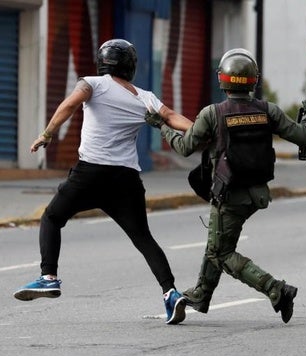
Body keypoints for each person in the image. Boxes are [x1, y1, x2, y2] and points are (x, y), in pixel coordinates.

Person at [13, 39, 194, 325]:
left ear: (103, 63)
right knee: (143, 238)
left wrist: (47, 134)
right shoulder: (144, 96)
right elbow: (171, 118)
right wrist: (200, 130)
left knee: (51, 217)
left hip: (91, 173)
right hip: (126, 180)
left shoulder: (93, 84)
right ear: (130, 66)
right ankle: (170, 292)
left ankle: (49, 277)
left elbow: (70, 104)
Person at [145, 48, 306, 323]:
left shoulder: (213, 114)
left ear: (222, 79)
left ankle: (276, 290)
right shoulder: (268, 110)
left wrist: (161, 126)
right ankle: (202, 294)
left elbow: (183, 147)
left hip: (228, 193)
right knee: (217, 243)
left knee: (221, 252)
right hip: (257, 193)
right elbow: (303, 135)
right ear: (254, 80)